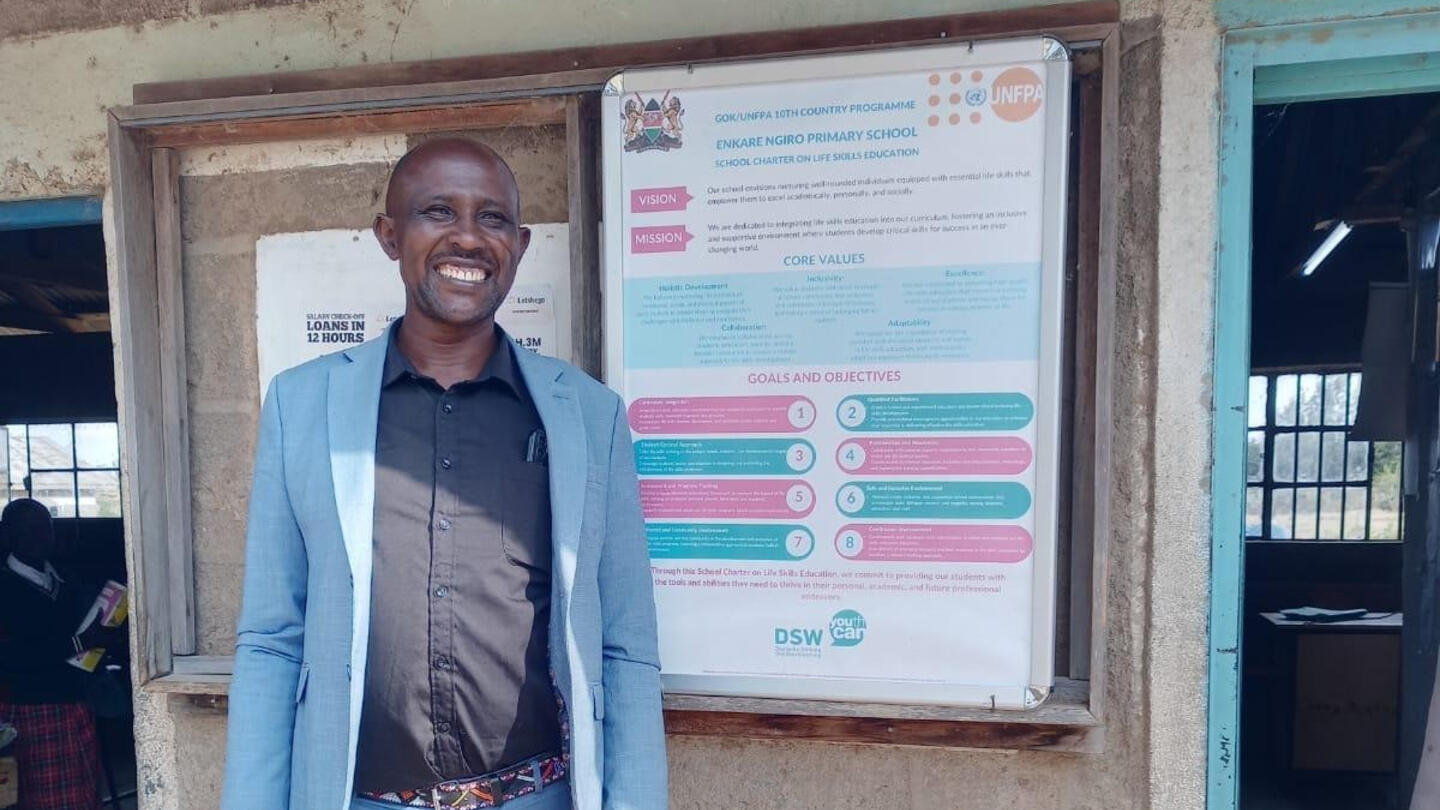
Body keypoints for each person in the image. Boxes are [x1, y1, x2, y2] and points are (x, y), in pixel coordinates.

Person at [220, 138, 666, 810]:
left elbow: (626, 648)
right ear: (390, 236)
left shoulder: (587, 416)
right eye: (438, 212)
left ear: (518, 242)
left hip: (536, 796)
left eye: (490, 219)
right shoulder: (303, 405)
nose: (467, 238)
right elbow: (272, 641)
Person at [0, 498, 121, 810]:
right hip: (29, 712)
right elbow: (12, 657)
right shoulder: (4, 588)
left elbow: (84, 637)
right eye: (29, 529)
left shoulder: (66, 581)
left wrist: (104, 636)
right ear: (8, 535)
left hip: (76, 705)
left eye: (45, 527)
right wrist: (80, 642)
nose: (40, 536)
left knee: (81, 798)